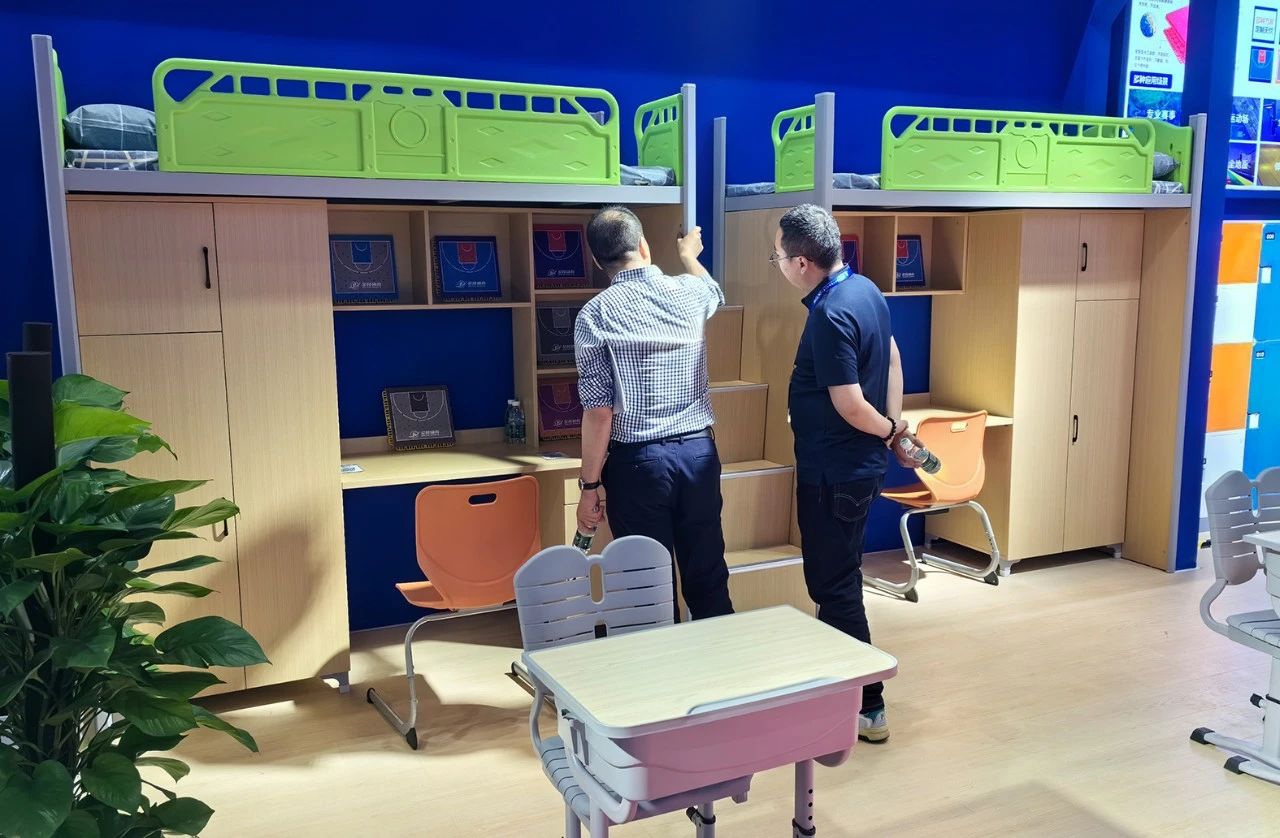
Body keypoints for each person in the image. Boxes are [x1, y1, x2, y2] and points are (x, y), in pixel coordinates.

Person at [772, 203, 918, 743]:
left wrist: (888, 431)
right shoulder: (866, 290)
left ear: (802, 262)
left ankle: (869, 706)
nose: (778, 265)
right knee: (840, 579)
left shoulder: (831, 312)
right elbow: (894, 361)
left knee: (834, 587)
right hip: (857, 468)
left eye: (778, 256)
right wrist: (894, 429)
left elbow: (851, 404)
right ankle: (837, 684)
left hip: (835, 472)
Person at [573, 205, 734, 621]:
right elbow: (714, 292)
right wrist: (688, 256)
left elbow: (599, 412)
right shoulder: (689, 292)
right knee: (709, 578)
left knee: (648, 592)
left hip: (638, 466)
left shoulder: (594, 315)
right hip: (698, 454)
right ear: (643, 245)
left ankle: (664, 664)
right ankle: (724, 662)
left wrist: (589, 485)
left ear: (597, 261)